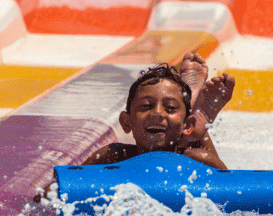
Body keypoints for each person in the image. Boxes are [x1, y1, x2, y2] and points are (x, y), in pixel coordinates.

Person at [82, 54, 235, 169]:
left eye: (170, 108)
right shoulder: (111, 156)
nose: (157, 113)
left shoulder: (199, 159)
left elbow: (231, 191)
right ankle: (193, 121)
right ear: (126, 122)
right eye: (146, 106)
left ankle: (195, 122)